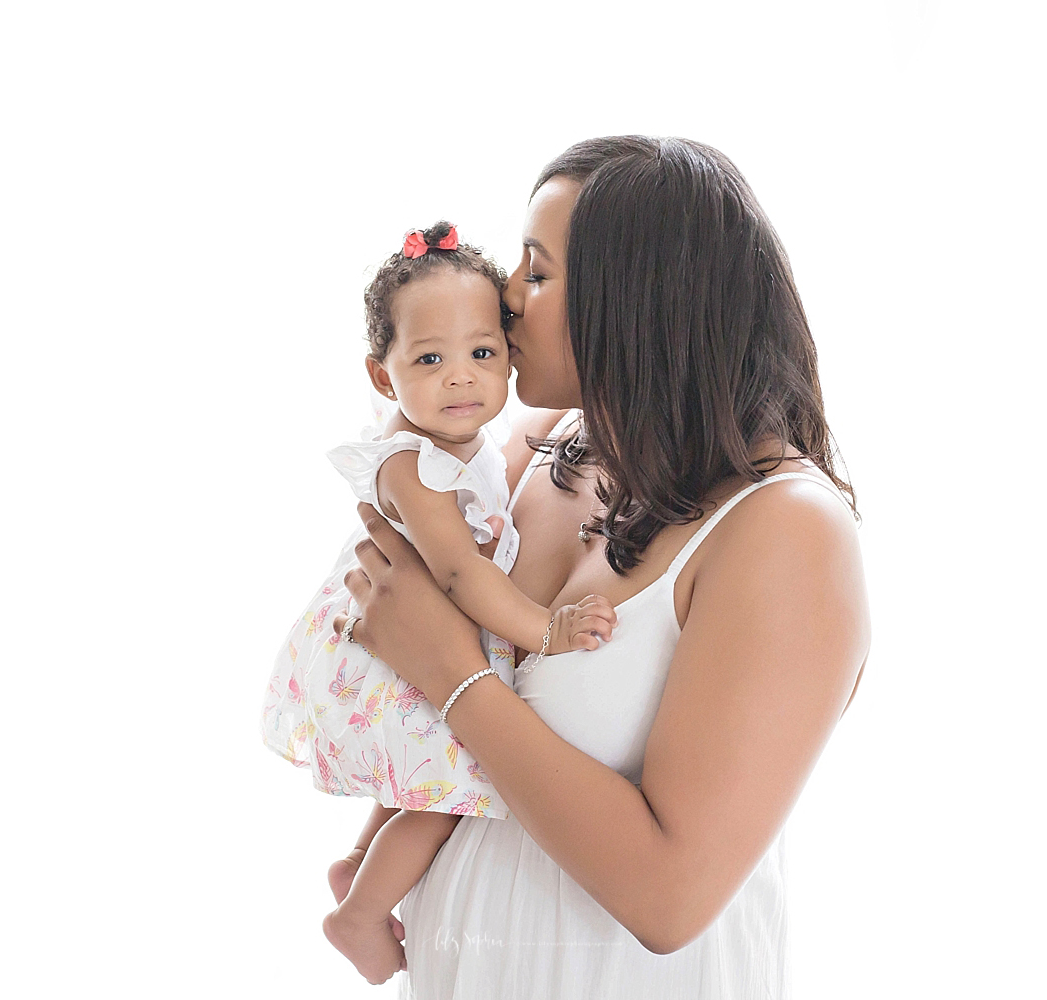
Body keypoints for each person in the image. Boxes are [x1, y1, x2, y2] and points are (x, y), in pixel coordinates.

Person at [329, 136, 870, 997]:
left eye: (537, 275)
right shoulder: (539, 451)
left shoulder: (784, 528)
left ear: (644, 303)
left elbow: (669, 897)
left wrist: (451, 674)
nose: (505, 299)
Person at [260, 221, 617, 985]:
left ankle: (358, 865)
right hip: (409, 640)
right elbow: (457, 574)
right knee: (449, 792)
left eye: (482, 354)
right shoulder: (415, 462)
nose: (461, 379)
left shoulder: (469, 440)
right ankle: (359, 912)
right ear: (383, 376)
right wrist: (545, 631)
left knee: (428, 773)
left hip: (422, 633)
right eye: (430, 359)